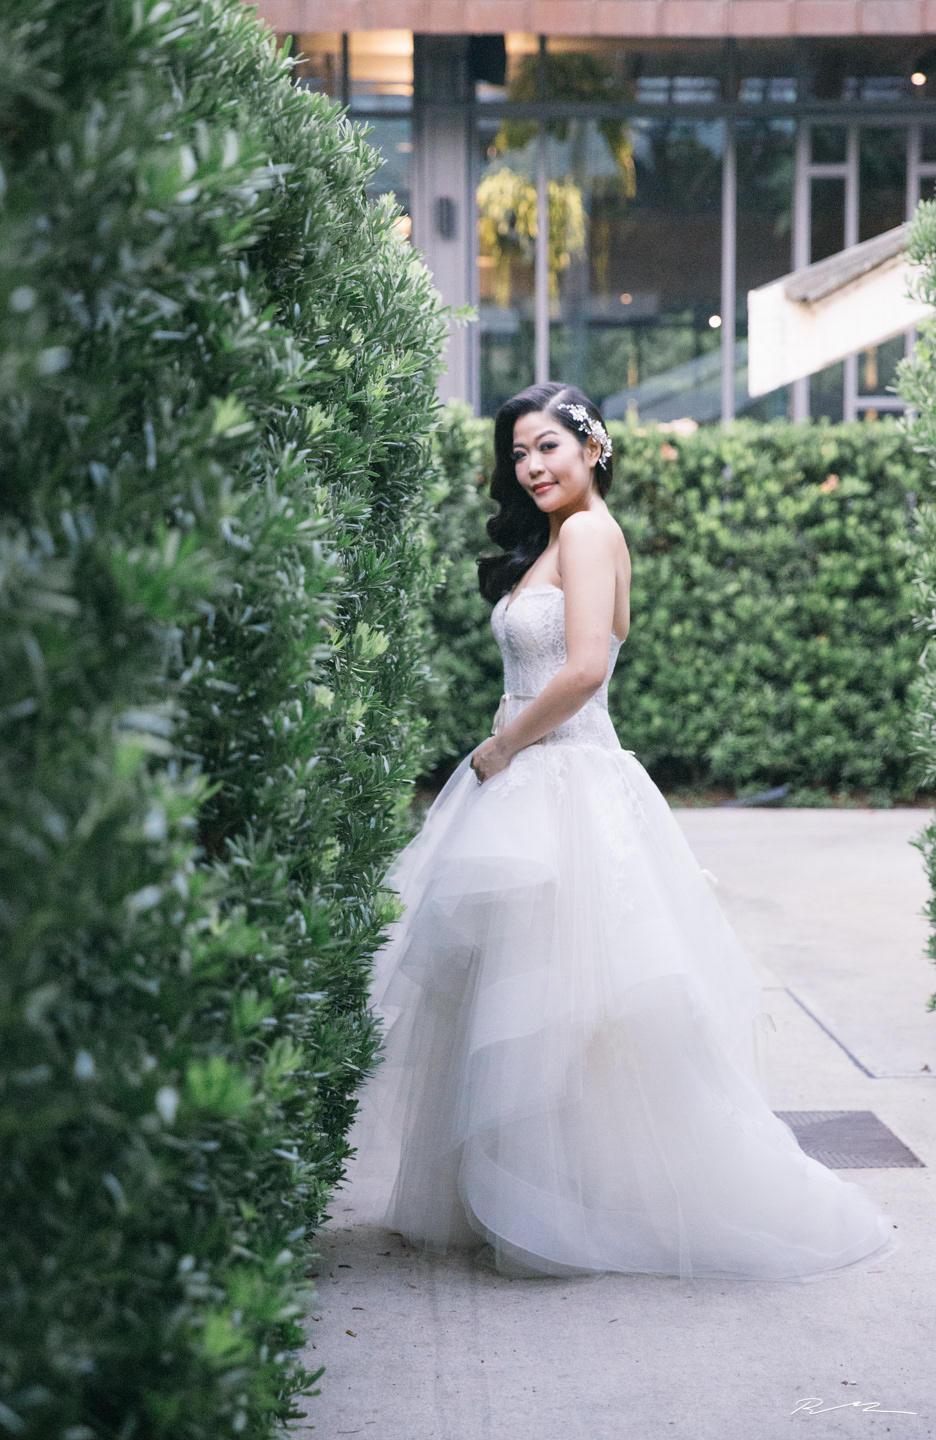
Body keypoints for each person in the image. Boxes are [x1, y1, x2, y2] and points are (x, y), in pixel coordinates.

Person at [358, 381, 896, 1280]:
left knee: (559, 1001)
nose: (530, 467)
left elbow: (582, 672)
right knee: (534, 999)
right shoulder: (566, 538)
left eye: (547, 447)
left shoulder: (586, 534)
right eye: (518, 453)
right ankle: (539, 1195)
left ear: (592, 447)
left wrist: (501, 748)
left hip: (560, 776)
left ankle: (565, 1206)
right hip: (544, 778)